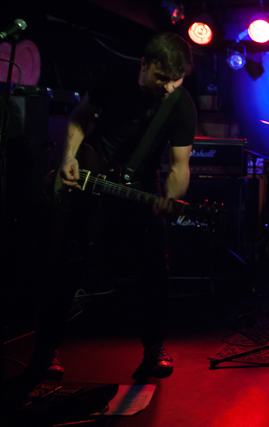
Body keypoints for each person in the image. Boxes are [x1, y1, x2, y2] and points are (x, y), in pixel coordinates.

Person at [29, 32, 197, 380]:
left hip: (140, 187)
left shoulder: (180, 104)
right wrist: (68, 158)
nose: (168, 88)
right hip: (90, 176)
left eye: (176, 80)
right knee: (66, 264)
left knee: (155, 268)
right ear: (144, 65)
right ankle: (45, 352)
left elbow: (179, 166)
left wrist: (171, 198)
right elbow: (80, 116)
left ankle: (154, 350)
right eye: (162, 78)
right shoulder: (115, 79)